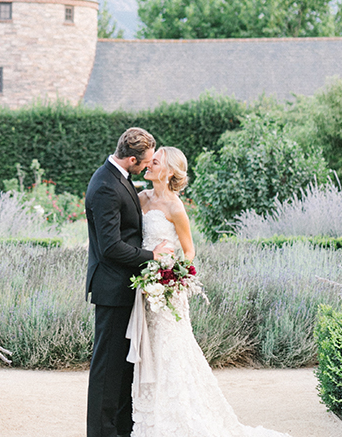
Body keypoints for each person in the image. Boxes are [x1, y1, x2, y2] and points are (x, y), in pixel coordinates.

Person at [129, 146, 292, 437]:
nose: (148, 165)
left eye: (155, 162)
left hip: (167, 291)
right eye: (149, 162)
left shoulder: (175, 208)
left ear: (169, 172)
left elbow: (189, 251)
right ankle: (152, 419)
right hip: (144, 287)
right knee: (149, 351)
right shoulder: (140, 199)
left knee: (172, 351)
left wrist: (172, 276)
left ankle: (178, 420)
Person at [86, 127, 171, 437]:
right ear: (132, 158)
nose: (148, 166)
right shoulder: (106, 185)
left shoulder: (119, 177)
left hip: (125, 288)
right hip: (111, 289)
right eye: (145, 161)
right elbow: (110, 247)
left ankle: (121, 430)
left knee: (122, 369)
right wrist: (152, 255)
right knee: (106, 370)